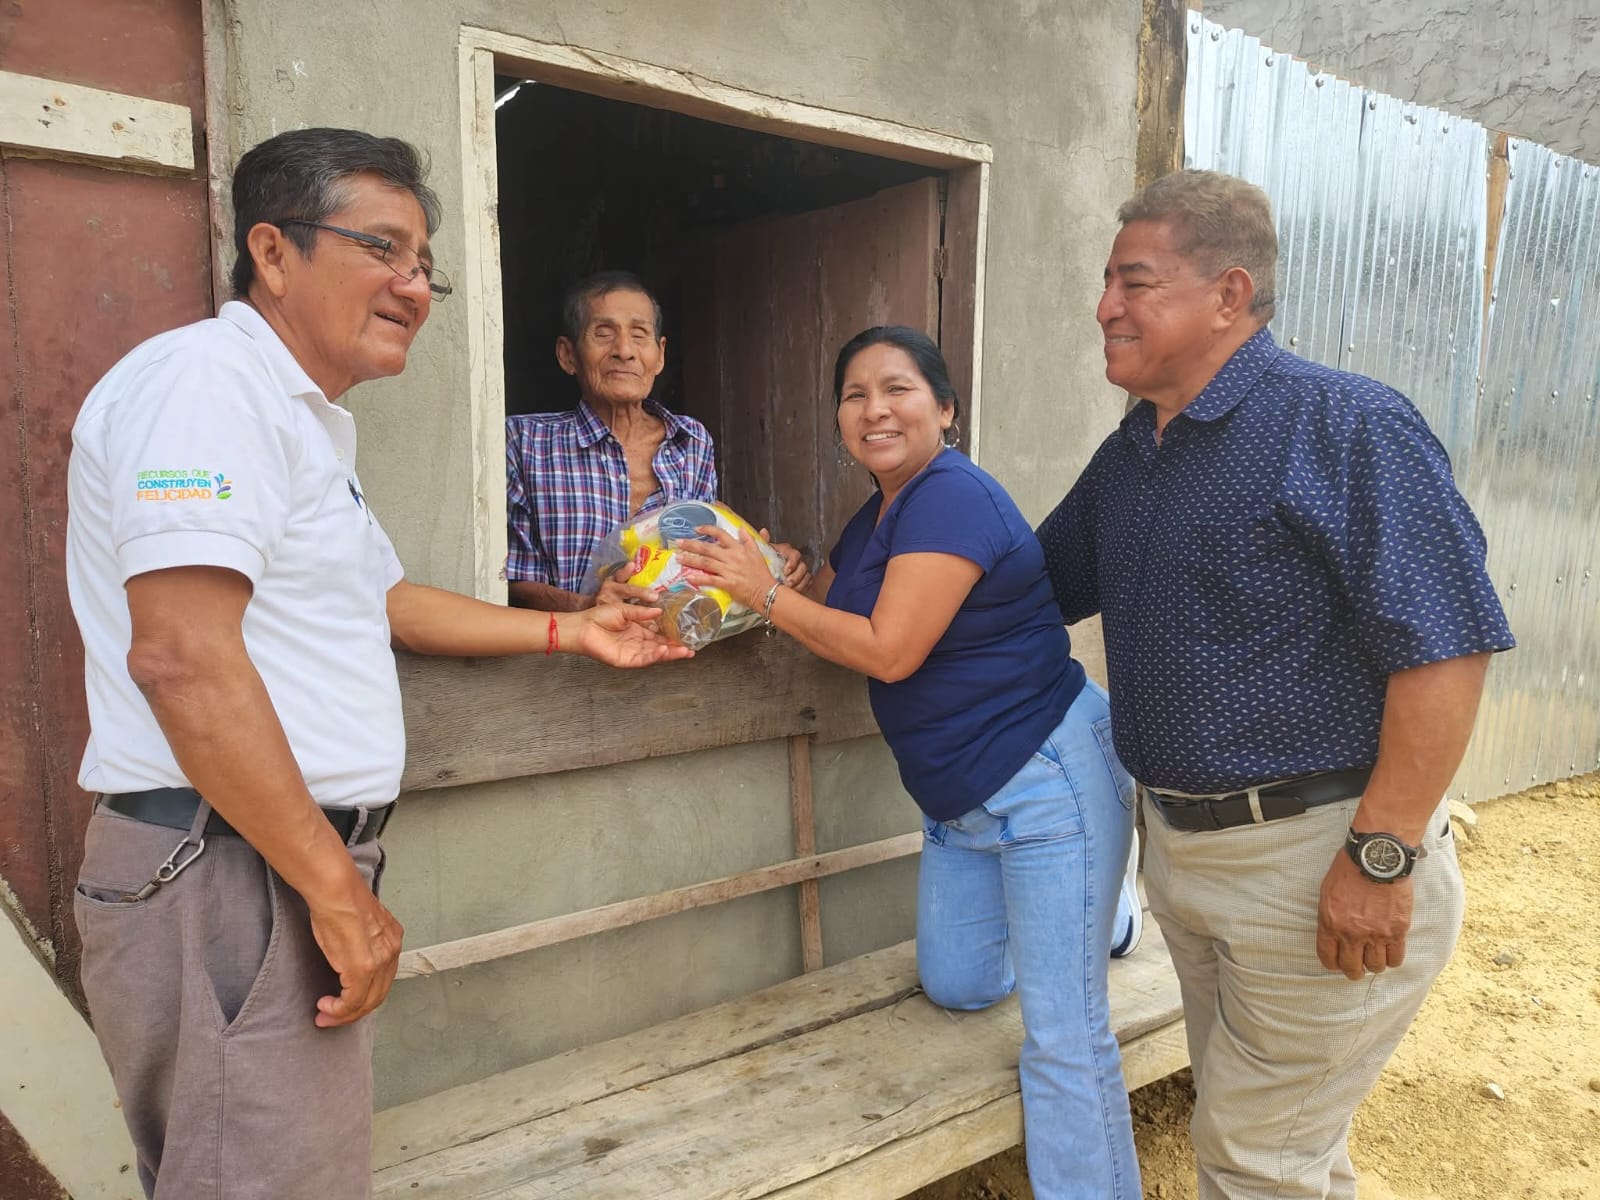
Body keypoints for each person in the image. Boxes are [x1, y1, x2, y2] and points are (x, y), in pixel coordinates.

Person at [65, 128, 689, 1200]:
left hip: (264, 864)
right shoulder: (208, 385)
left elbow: (385, 602)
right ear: (272, 252)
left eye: (424, 264)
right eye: (383, 249)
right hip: (230, 871)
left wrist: (574, 629)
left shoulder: (303, 422)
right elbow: (181, 657)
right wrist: (334, 890)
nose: (413, 285)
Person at [1036, 170, 1515, 1200]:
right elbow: (1024, 585)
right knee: (1284, 1147)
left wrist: (1380, 857)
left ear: (1228, 294)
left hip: (1316, 863)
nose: (1104, 306)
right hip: (1184, 860)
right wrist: (833, 572)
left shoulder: (1344, 425)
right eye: (1106, 282)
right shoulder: (1134, 454)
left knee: (1256, 1161)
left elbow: (1445, 648)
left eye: (1133, 282)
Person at [679, 326, 1141, 1199]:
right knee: (959, 986)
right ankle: (1102, 904)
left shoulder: (952, 496)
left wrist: (765, 593)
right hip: (960, 808)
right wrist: (780, 574)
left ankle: (1100, 905)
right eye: (854, 395)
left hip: (1047, 782)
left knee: (1064, 1039)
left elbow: (889, 651)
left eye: (898, 389)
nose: (875, 409)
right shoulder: (875, 518)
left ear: (946, 409)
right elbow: (827, 610)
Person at [505, 271, 807, 610]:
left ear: (659, 355)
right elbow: (509, 580)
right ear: (567, 354)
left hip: (674, 643)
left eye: (639, 335)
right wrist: (586, 608)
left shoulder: (690, 441)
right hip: (567, 643)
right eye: (603, 333)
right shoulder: (525, 443)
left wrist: (768, 558)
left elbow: (704, 552)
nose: (624, 351)